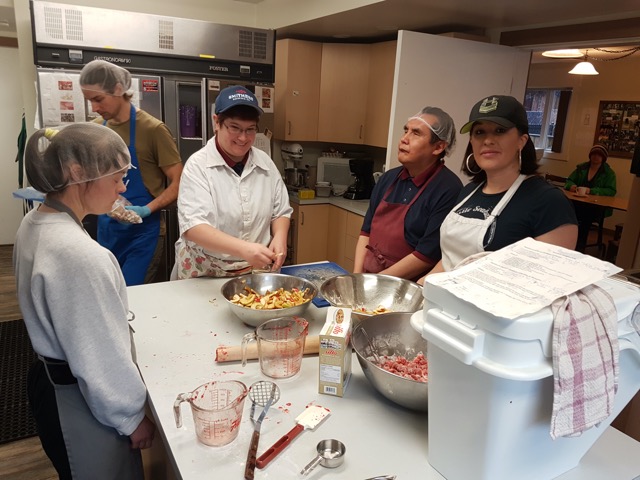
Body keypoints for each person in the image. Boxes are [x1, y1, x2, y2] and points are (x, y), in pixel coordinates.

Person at [13, 124, 155, 479]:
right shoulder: (79, 254)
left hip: (50, 383)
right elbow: (97, 356)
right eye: (118, 177)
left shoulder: (35, 222)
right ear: (77, 173)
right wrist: (132, 418)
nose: (124, 188)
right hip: (81, 402)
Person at [420, 95, 578, 282]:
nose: (488, 140)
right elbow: (448, 261)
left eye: (500, 130)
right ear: (471, 141)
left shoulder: (548, 202)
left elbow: (548, 282)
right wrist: (419, 290)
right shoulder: (468, 192)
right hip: (444, 301)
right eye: (479, 132)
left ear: (522, 140)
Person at [80, 59, 183, 286]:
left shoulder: (153, 129)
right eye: (90, 101)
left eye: (98, 99)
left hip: (144, 234)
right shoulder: (97, 130)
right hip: (107, 230)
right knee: (108, 291)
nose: (94, 108)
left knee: (133, 297)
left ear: (118, 89)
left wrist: (146, 209)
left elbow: (179, 182)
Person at [174, 85, 292, 279]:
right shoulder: (198, 166)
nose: (243, 138)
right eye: (234, 128)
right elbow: (194, 227)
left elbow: (280, 211)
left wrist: (280, 237)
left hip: (255, 269)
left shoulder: (265, 163)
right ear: (217, 122)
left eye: (250, 130)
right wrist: (244, 249)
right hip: (205, 271)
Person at [353, 106, 463, 281]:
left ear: (438, 147)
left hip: (405, 289)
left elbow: (426, 256)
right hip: (369, 280)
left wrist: (374, 283)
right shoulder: (388, 178)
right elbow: (366, 233)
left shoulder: (448, 189)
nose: (404, 139)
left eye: (416, 133)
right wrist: (357, 279)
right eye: (406, 131)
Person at [565, 143, 617, 252]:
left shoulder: (609, 173)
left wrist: (592, 191)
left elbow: (611, 191)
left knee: (585, 217)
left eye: (599, 155)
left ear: (603, 158)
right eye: (594, 154)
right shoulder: (581, 168)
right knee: (565, 209)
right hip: (578, 202)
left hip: (595, 206)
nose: (596, 157)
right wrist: (572, 186)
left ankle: (580, 246)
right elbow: (569, 180)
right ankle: (566, 240)